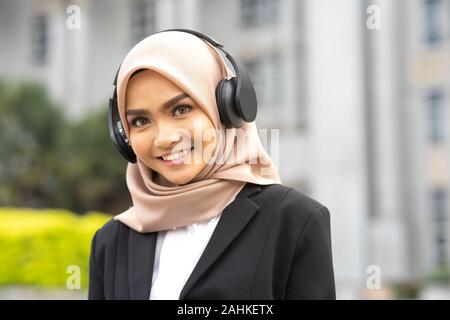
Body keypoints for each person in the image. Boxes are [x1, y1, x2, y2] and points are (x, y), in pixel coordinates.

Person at [88, 29, 335, 300]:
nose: (165, 138)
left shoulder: (294, 221)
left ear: (226, 108)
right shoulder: (110, 243)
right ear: (124, 137)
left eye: (181, 110)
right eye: (140, 121)